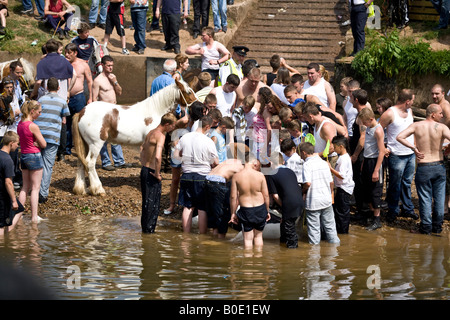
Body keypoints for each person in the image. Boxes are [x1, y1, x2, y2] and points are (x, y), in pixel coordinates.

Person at [397, 104, 450, 235]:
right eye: (440, 113)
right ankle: (437, 227)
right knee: (439, 197)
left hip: (424, 166)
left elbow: (399, 137)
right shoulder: (442, 127)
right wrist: (447, 150)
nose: (442, 116)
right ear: (433, 114)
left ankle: (426, 228)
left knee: (425, 198)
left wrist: (414, 149)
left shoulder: (417, 125)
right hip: (438, 165)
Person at [174, 115, 219, 233]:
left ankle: (186, 234)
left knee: (188, 207)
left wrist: (185, 160)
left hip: (187, 174)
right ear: (207, 126)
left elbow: (176, 156)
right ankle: (202, 236)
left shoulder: (184, 137)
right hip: (202, 176)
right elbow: (215, 162)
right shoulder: (208, 141)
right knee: (202, 208)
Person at [378, 89, 417, 223]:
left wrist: (415, 146)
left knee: (407, 182)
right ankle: (393, 210)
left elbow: (412, 129)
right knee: (395, 184)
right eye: (412, 100)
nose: (413, 103)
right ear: (407, 101)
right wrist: (383, 147)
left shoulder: (409, 111)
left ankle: (407, 208)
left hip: (410, 153)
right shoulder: (390, 113)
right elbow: (378, 130)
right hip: (396, 154)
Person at [92, 55, 131, 171]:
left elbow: (119, 92)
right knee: (103, 138)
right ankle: (106, 162)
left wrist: (115, 82)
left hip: (114, 111)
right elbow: (94, 98)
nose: (110, 68)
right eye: (108, 65)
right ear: (103, 66)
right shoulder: (98, 80)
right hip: (103, 112)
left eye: (112, 66)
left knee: (116, 135)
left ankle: (119, 161)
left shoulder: (113, 77)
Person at [140, 112, 177, 233]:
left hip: (144, 170)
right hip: (152, 172)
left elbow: (142, 149)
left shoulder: (150, 132)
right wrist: (157, 173)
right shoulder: (161, 136)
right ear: (167, 124)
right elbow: (157, 157)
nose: (173, 128)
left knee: (146, 203)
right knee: (153, 205)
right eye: (173, 126)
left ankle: (145, 231)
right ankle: (150, 235)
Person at [34, 77, 70, 204]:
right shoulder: (62, 101)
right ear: (58, 88)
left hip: (39, 135)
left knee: (38, 163)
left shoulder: (41, 100)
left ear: (47, 88)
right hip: (53, 136)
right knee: (48, 165)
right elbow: (65, 118)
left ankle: (35, 189)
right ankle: (43, 194)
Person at [299, 142, 340, 245]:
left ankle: (314, 255)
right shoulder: (324, 163)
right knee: (331, 228)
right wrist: (331, 196)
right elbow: (331, 182)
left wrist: (303, 191)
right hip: (326, 200)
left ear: (304, 153)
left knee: (314, 232)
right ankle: (335, 254)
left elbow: (307, 183)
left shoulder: (307, 165)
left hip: (313, 202)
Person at [229, 157, 270, 249]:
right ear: (254, 163)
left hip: (246, 210)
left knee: (247, 239)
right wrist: (267, 211)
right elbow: (266, 195)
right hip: (260, 208)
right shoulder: (260, 175)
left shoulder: (237, 176)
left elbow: (233, 197)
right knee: (258, 237)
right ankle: (258, 261)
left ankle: (248, 262)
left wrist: (233, 213)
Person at [265, 152, 304, 248]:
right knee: (286, 224)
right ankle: (282, 246)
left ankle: (292, 254)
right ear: (283, 161)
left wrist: (283, 207)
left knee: (289, 230)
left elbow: (275, 196)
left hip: (289, 203)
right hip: (300, 201)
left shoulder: (271, 174)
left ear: (271, 163)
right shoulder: (290, 171)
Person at [17, 100, 47, 223]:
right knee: (35, 188)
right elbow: (44, 144)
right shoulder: (33, 126)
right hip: (34, 156)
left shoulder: (20, 124)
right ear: (32, 111)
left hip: (23, 155)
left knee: (25, 187)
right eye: (39, 112)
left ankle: (18, 215)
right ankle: (34, 217)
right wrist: (38, 143)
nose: (40, 114)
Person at [358, 107, 386, 231]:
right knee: (366, 189)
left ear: (371, 119)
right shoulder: (368, 128)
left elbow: (382, 151)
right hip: (367, 160)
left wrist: (376, 170)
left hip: (376, 161)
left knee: (376, 191)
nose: (363, 124)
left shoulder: (378, 130)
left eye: (365, 122)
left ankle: (377, 219)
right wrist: (364, 161)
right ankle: (371, 214)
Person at [64, 42, 93, 157]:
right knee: (66, 123)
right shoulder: (63, 63)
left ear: (75, 53)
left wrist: (90, 97)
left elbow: (90, 81)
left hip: (78, 96)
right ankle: (67, 148)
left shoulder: (83, 64)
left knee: (81, 123)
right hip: (65, 98)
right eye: (65, 52)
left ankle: (82, 147)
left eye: (69, 53)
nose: (67, 55)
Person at [205, 158, 244, 238]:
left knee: (214, 212)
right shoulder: (242, 169)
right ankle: (221, 240)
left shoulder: (232, 160)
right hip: (218, 182)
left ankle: (214, 237)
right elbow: (235, 195)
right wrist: (233, 212)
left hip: (207, 179)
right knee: (223, 214)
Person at [0, 131, 24, 236]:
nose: (18, 146)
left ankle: (7, 230)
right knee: (0, 225)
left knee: (20, 209)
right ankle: (4, 241)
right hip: (3, 196)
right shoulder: (7, 160)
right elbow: (8, 182)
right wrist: (14, 200)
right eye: (17, 144)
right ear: (11, 143)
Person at [329, 135, 354, 234]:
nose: (334, 149)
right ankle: (341, 231)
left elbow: (342, 176)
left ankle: (343, 232)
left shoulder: (343, 159)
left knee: (342, 212)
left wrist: (330, 169)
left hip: (344, 188)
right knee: (340, 211)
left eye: (335, 147)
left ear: (341, 146)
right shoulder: (344, 157)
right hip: (343, 187)